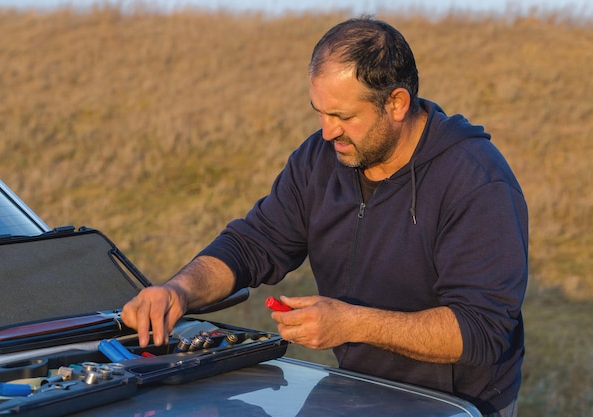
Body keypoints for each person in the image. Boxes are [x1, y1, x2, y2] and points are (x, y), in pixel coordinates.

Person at [121, 16, 527, 417]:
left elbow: (479, 329)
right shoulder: (319, 159)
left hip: (457, 404)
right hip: (356, 386)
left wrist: (350, 324)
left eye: (344, 117)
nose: (328, 131)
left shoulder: (477, 181)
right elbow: (251, 245)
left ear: (397, 103)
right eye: (320, 111)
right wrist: (178, 290)